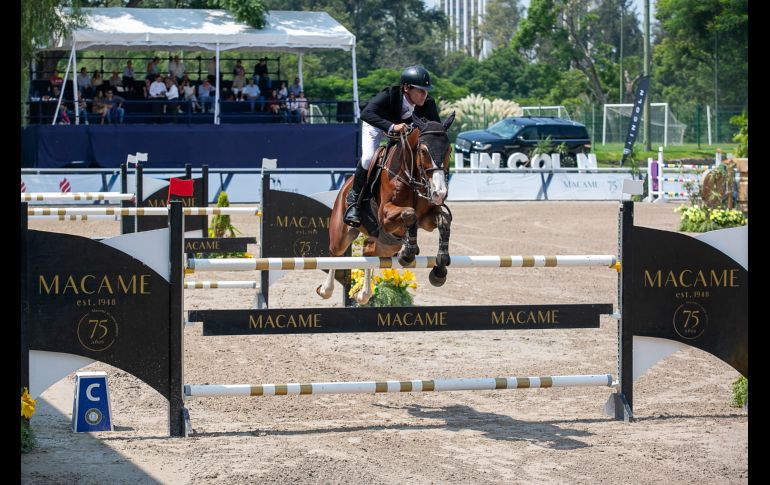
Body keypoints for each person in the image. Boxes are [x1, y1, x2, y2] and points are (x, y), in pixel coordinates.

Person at [343, 65, 440, 227]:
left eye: (427, 90)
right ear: (407, 88)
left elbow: (435, 126)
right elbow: (366, 114)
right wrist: (392, 126)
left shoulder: (428, 103)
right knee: (368, 158)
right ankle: (354, 200)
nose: (425, 94)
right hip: (376, 125)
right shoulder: (389, 95)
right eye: (421, 90)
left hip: (402, 132)